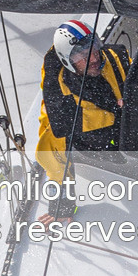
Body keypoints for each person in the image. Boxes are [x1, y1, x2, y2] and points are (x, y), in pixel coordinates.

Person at [36, 20, 130, 180]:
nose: (94, 59)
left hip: (131, 135)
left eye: (94, 50)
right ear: (67, 60)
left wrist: (131, 103)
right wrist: (61, 184)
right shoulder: (61, 99)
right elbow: (49, 149)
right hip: (98, 153)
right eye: (83, 56)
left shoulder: (116, 57)